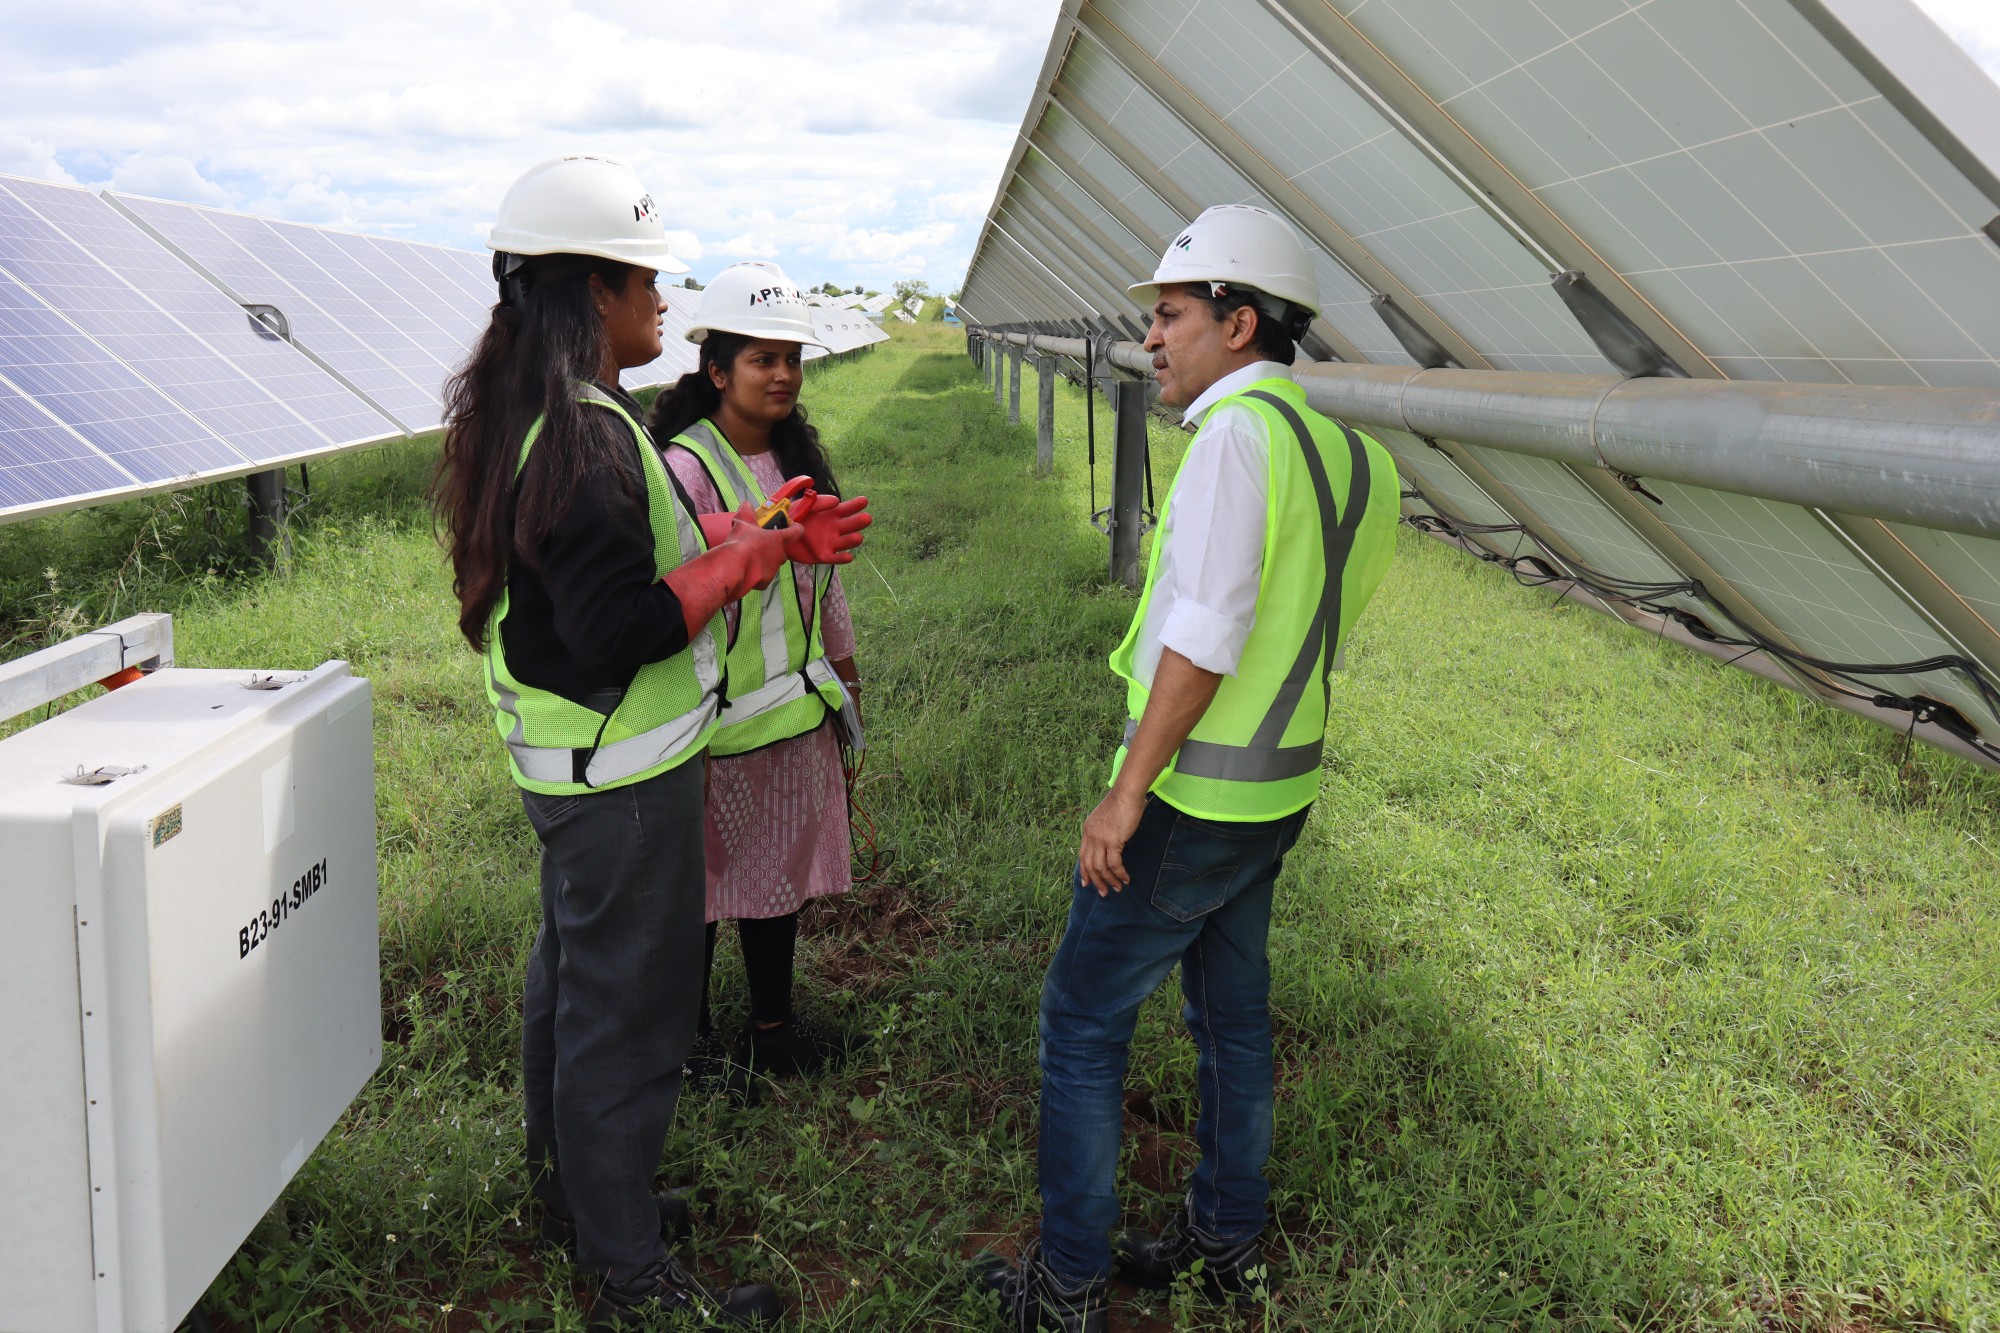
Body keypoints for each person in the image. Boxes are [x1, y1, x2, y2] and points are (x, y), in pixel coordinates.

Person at [431, 153, 869, 1331]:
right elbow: (622, 625)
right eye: (644, 282)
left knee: (572, 993)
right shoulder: (581, 435)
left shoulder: (556, 418)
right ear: (589, 296)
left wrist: (754, 530)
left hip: (582, 772)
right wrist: (745, 562)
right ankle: (630, 1276)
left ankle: (581, 1203)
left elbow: (638, 550)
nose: (661, 306)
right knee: (628, 1018)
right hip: (623, 780)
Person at [972, 205, 1401, 1332]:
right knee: (1231, 1019)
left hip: (1189, 797)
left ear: (1237, 321)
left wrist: (1125, 795)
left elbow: (1206, 633)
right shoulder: (1352, 456)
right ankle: (1223, 1241)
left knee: (1078, 1025)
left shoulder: (1234, 438)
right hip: (1277, 791)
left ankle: (1064, 1288)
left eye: (1166, 317)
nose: (1150, 339)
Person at [649, 261, 868, 1086]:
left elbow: (824, 580)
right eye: (761, 360)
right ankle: (693, 1043)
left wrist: (845, 680)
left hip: (792, 712)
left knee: (778, 881)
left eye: (792, 360)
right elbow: (673, 596)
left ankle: (772, 1028)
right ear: (716, 371)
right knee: (701, 894)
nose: (782, 375)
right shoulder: (685, 469)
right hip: (713, 723)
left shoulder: (793, 457)